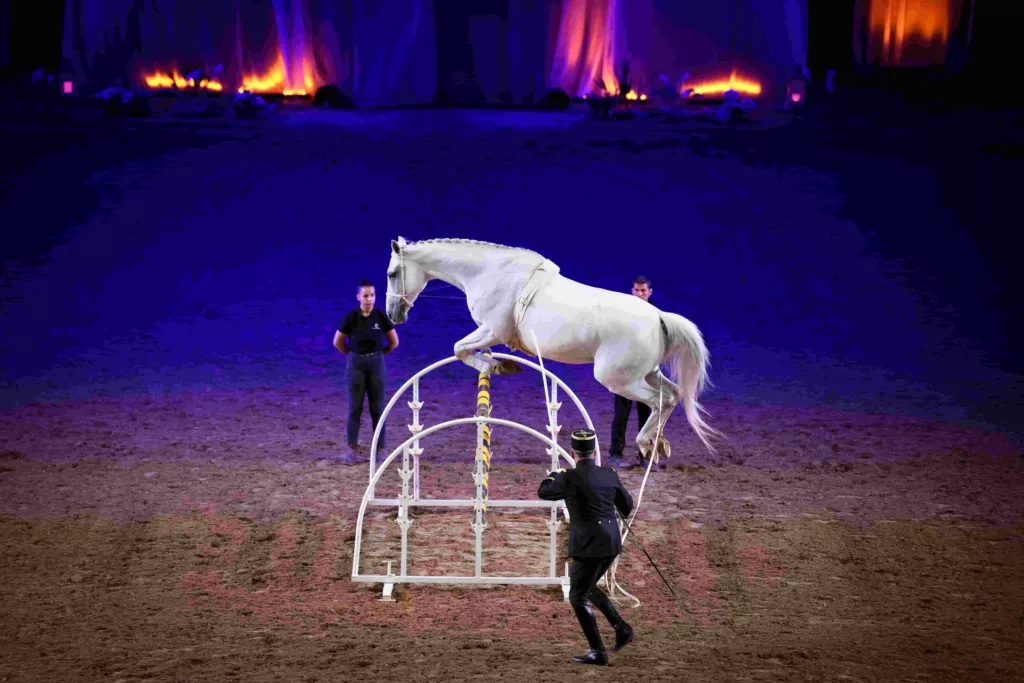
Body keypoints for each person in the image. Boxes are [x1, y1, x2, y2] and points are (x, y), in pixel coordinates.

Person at [538, 429, 635, 666]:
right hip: (611, 542)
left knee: (577, 596)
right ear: (594, 452)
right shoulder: (609, 474)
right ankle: (621, 628)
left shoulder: (568, 477)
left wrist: (554, 475)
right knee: (588, 588)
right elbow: (627, 506)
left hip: (588, 545)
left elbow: (544, 492)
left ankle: (598, 651)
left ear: (572, 452)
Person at [334, 279, 399, 461]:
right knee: (355, 408)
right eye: (365, 296)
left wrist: (379, 356)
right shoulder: (351, 317)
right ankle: (351, 449)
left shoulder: (381, 317)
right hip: (356, 366)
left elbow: (394, 342)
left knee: (377, 409)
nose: (369, 299)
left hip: (376, 364)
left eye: (372, 295)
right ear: (358, 297)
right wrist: (354, 356)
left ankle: (380, 449)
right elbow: (337, 342)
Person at [609, 276, 654, 470]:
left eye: (643, 291)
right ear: (632, 291)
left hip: (646, 373)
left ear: (649, 292)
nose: (639, 294)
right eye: (637, 290)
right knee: (621, 415)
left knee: (648, 416)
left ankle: (645, 456)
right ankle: (615, 455)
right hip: (625, 372)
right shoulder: (623, 313)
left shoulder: (656, 315)